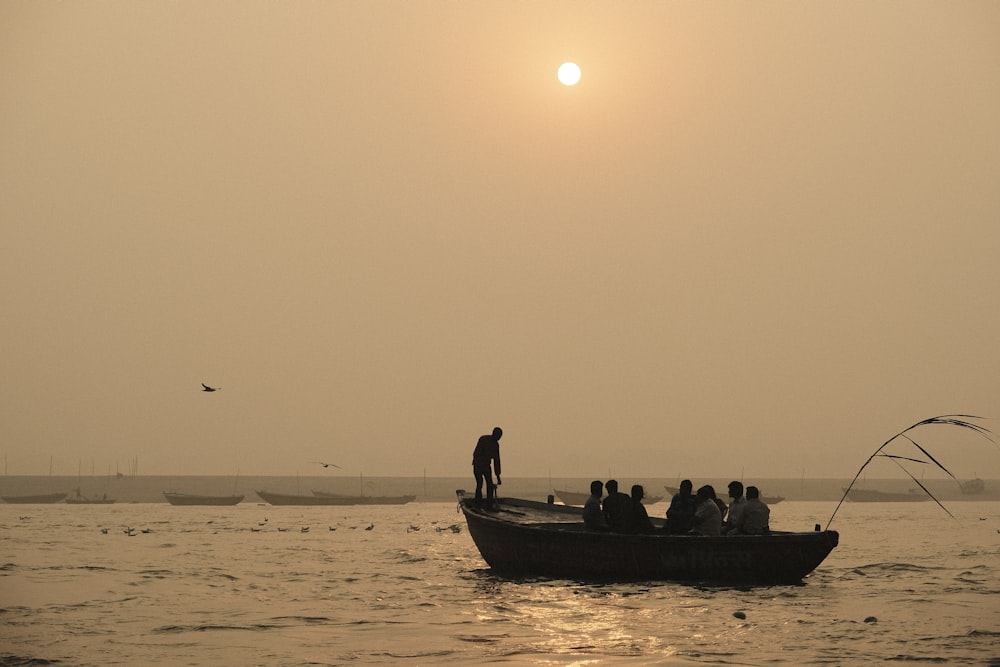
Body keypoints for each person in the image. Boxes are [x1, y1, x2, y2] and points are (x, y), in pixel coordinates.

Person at [472, 427, 502, 509]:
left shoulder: (496, 445)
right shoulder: (483, 439)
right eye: (498, 436)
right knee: (480, 483)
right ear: (494, 434)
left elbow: (497, 460)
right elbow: (475, 454)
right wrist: (482, 461)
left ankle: (489, 504)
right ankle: (478, 502)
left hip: (486, 467)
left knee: (490, 484)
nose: (498, 439)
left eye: (499, 437)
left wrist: (498, 476)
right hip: (478, 465)